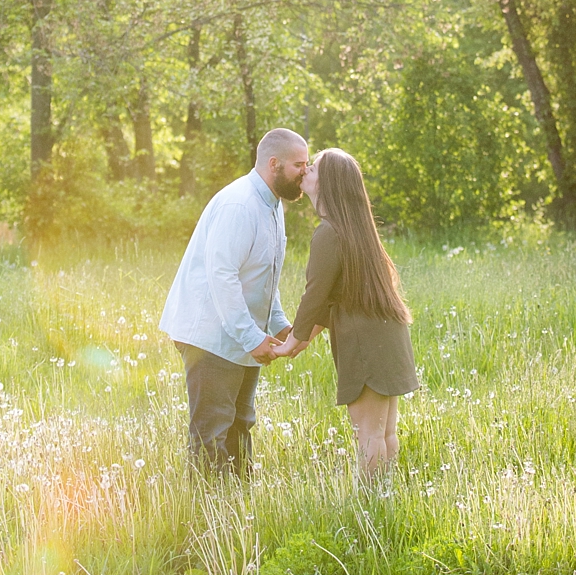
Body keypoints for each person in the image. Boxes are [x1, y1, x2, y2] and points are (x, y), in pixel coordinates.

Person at [158, 129, 309, 477]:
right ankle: (206, 515)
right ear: (274, 164)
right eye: (298, 165)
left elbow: (262, 278)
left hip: (240, 333)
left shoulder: (272, 206)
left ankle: (238, 507)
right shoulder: (239, 204)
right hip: (211, 335)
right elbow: (222, 277)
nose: (306, 171)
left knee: (242, 423)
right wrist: (252, 338)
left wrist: (279, 325)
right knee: (212, 432)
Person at [276, 146, 421, 480]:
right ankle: (385, 499)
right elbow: (333, 302)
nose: (305, 171)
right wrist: (301, 341)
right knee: (383, 431)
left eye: (312, 168)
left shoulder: (329, 232)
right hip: (386, 334)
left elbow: (316, 295)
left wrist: (291, 342)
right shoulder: (356, 229)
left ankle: (371, 506)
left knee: (369, 433)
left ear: (329, 183)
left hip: (364, 340)